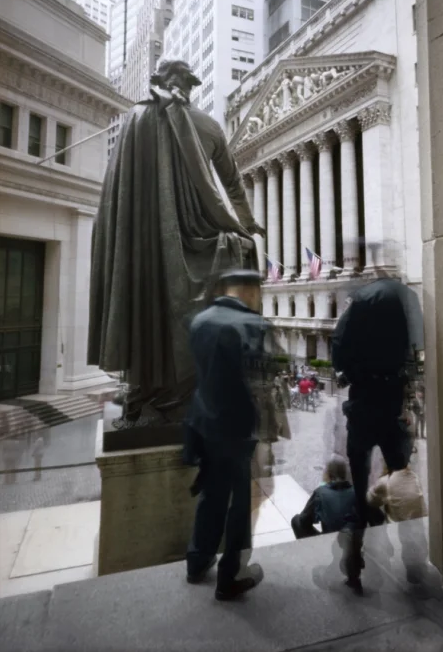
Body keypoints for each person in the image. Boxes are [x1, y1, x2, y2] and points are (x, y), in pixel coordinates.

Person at [88, 60, 265, 423]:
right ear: (190, 86)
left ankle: (157, 387)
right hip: (190, 239)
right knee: (237, 259)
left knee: (153, 297)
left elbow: (118, 196)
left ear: (161, 81)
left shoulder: (137, 117)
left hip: (150, 242)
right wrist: (246, 225)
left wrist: (246, 225)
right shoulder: (199, 124)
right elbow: (232, 185)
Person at [185, 269, 272, 601]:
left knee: (212, 494)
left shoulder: (201, 320)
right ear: (251, 291)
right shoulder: (252, 324)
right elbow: (258, 384)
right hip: (237, 430)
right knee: (240, 504)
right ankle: (231, 575)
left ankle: (198, 560)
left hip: (203, 422)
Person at [332, 277, 413, 591]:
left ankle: (354, 560)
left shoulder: (361, 300)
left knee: (359, 484)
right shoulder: (407, 298)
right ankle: (412, 558)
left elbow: (339, 345)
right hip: (392, 403)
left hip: (364, 405)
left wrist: (350, 370)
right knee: (402, 479)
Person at [291, 455, 356, 539]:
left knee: (296, 521)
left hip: (329, 543)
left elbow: (303, 521)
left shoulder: (321, 493)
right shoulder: (357, 492)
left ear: (328, 474)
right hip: (353, 543)